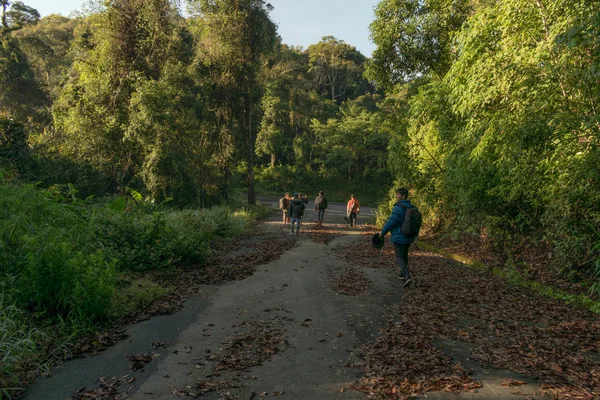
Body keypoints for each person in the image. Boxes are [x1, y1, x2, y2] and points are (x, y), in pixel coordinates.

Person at [379, 188, 415, 287]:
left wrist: (383, 232)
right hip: (408, 235)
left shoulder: (398, 208)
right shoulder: (411, 207)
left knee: (399, 257)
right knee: (404, 255)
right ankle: (403, 274)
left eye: (398, 194)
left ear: (403, 196)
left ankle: (408, 277)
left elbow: (392, 222)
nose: (396, 196)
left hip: (399, 236)